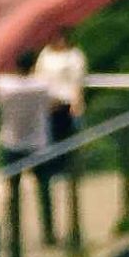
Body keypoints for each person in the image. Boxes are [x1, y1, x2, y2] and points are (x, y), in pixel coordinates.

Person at [0, 53, 58, 246]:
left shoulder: (5, 86)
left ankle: (13, 236)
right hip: (37, 143)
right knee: (44, 190)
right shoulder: (41, 86)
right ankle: (48, 234)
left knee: (12, 192)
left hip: (11, 143)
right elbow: (54, 103)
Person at [33, 29, 89, 173]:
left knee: (68, 135)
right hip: (49, 102)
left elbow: (78, 79)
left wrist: (77, 101)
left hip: (67, 101)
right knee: (49, 136)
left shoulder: (75, 55)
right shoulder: (45, 54)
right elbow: (39, 77)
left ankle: (71, 168)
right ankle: (52, 168)